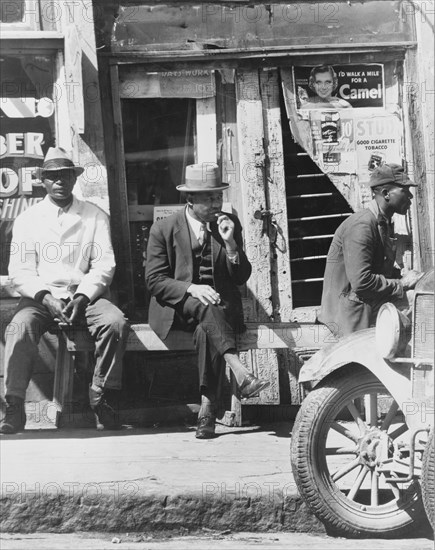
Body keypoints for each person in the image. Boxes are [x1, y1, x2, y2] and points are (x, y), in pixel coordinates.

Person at [0, 147, 129, 434]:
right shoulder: (28, 219)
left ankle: (100, 395)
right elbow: (19, 272)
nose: (60, 182)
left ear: (74, 179)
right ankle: (15, 405)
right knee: (18, 328)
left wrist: (83, 297)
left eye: (66, 175)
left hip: (86, 295)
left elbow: (104, 265)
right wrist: (45, 297)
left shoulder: (94, 216)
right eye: (53, 177)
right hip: (40, 297)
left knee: (115, 322)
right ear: (43, 181)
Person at [145, 163, 270, 439]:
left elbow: (240, 277)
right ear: (190, 199)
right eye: (209, 198)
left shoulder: (227, 224)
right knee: (205, 305)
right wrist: (191, 288)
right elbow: (154, 281)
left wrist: (231, 245)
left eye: (219, 196)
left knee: (207, 328)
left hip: (220, 313)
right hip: (177, 310)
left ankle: (207, 411)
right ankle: (239, 371)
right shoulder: (163, 229)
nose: (217, 203)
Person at [319, 163, 423, 338]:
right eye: (405, 190)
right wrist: (402, 284)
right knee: (417, 305)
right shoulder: (362, 225)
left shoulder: (381, 222)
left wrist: (404, 276)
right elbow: (362, 282)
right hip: (349, 319)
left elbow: (377, 269)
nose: (410, 196)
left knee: (422, 300)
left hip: (365, 307)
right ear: (386, 194)